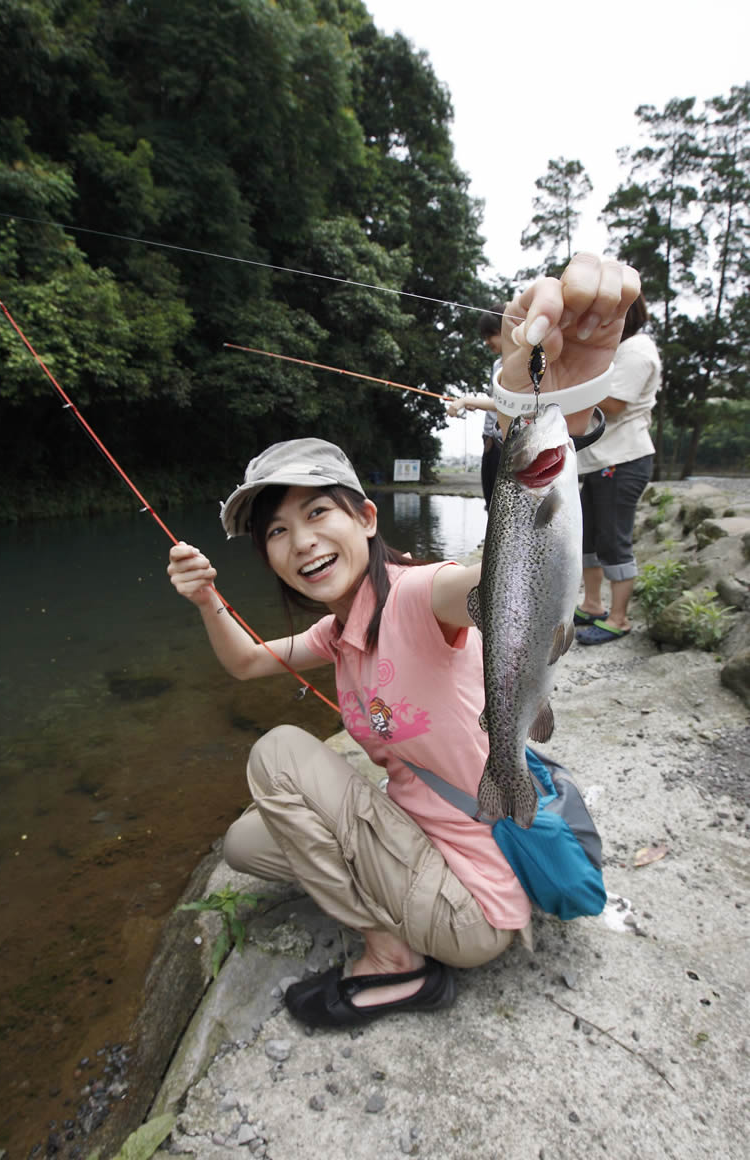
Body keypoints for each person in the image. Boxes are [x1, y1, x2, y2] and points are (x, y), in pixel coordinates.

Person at [167, 254, 640, 1028]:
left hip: (471, 906)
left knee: (277, 754)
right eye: (277, 531)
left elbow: (495, 576)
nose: (300, 542)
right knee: (246, 844)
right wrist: (207, 597)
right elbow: (248, 662)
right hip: (428, 840)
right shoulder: (341, 629)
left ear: (364, 518)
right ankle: (401, 903)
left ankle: (392, 953)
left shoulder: (423, 595)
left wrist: (552, 399)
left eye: (319, 513)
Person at [573, 291, 661, 645]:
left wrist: (570, 383)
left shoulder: (637, 350)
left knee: (614, 540)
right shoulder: (617, 351)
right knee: (590, 538)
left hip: (623, 461)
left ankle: (620, 619)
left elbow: (615, 404)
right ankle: (592, 605)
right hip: (599, 462)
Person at [446, 308, 504, 509]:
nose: (487, 341)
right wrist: (475, 403)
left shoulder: (520, 364)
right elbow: (496, 400)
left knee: (501, 505)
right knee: (490, 500)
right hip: (488, 439)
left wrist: (465, 400)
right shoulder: (498, 364)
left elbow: (507, 404)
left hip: (504, 444)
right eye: (485, 337)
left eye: (491, 335)